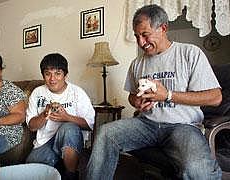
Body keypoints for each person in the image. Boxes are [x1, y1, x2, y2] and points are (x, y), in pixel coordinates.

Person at [85, 4, 222, 180]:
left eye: (145, 35)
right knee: (105, 133)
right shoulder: (137, 63)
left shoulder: (189, 53)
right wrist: (137, 102)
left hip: (183, 125)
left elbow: (216, 97)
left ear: (163, 28)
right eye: (136, 36)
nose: (141, 42)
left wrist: (168, 95)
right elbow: (132, 96)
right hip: (146, 124)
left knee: (197, 170)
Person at [26, 53, 95, 180]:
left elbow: (89, 125)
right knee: (31, 171)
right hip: (45, 141)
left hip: (70, 139)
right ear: (43, 75)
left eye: (57, 73)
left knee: (69, 127)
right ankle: (59, 165)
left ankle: (71, 175)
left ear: (65, 75)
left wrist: (67, 117)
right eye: (48, 74)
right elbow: (31, 126)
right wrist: (44, 114)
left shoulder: (77, 93)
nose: (52, 79)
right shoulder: (38, 93)